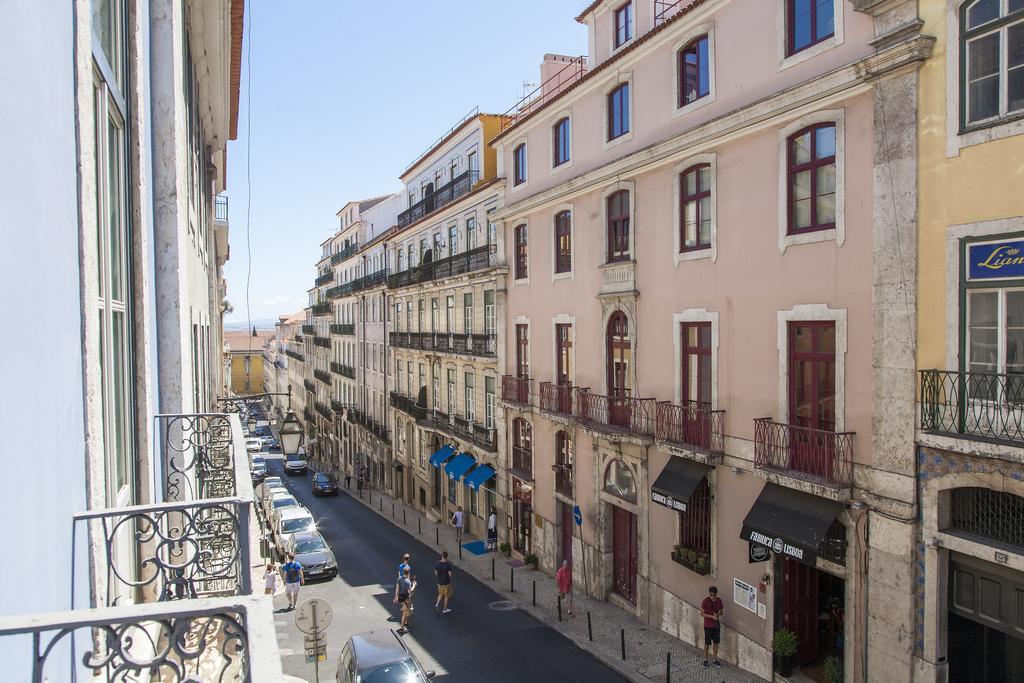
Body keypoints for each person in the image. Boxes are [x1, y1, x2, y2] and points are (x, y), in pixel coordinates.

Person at [701, 585, 724, 668]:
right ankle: (705, 660)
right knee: (707, 643)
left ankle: (714, 659)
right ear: (709, 594)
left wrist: (718, 614)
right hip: (708, 625)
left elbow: (722, 611)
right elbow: (702, 613)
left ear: (716, 594)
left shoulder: (719, 601)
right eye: (711, 595)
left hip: (716, 625)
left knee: (716, 643)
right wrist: (712, 617)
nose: (713, 596)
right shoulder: (705, 601)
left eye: (714, 595)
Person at [393, 567, 417, 634]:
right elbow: (410, 591)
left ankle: (405, 622)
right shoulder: (408, 581)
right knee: (406, 612)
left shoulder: (399, 578)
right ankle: (401, 628)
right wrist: (414, 585)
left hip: (400, 598)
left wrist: (396, 597)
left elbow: (397, 589)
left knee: (408, 610)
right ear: (408, 572)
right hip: (406, 599)